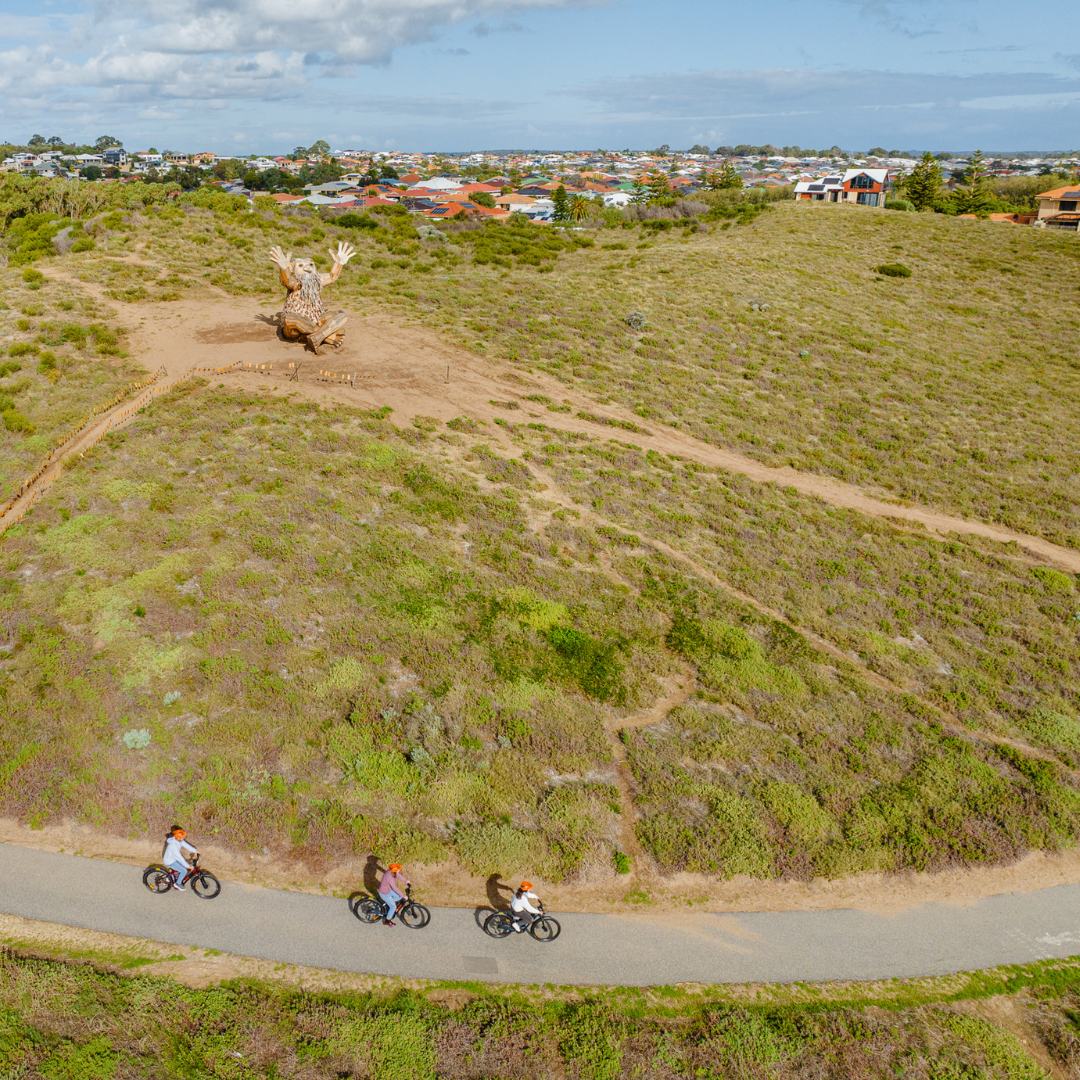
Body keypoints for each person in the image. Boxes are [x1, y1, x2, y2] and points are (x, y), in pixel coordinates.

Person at [162, 825, 198, 891]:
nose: (184, 837)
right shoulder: (173, 845)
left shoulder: (179, 840)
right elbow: (179, 857)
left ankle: (169, 878)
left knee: (180, 869)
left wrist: (195, 851)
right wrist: (188, 866)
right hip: (169, 861)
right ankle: (177, 884)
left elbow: (186, 845)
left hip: (173, 859)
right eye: (182, 837)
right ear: (178, 838)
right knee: (184, 870)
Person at [378, 863, 410, 927]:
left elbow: (398, 875)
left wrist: (406, 881)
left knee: (399, 897)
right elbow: (395, 888)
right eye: (398, 870)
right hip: (384, 893)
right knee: (393, 907)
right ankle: (387, 921)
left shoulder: (392, 872)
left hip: (388, 890)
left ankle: (388, 904)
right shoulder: (389, 877)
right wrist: (404, 895)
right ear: (394, 870)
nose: (399, 871)